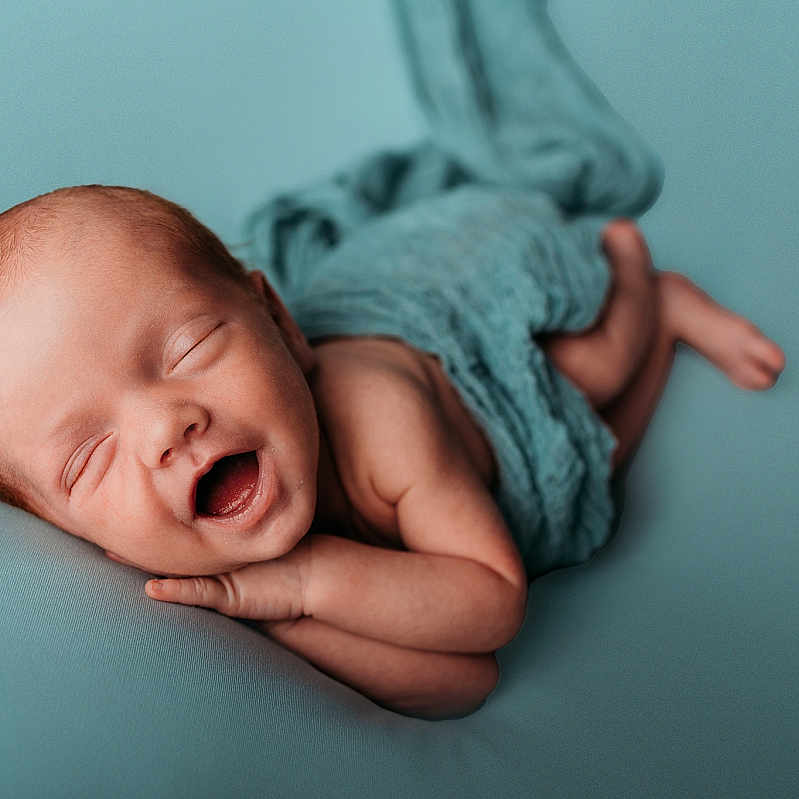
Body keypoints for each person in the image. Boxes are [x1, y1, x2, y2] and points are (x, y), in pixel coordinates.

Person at [0, 184, 785, 719]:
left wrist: (304, 580)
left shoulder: (378, 416)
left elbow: (492, 600)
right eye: (87, 459)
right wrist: (279, 618)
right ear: (81, 537)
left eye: (191, 344)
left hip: (487, 375)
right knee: (598, 478)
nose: (164, 429)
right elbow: (461, 680)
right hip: (469, 520)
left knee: (593, 380)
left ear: (279, 321)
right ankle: (669, 321)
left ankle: (644, 283)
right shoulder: (203, 579)